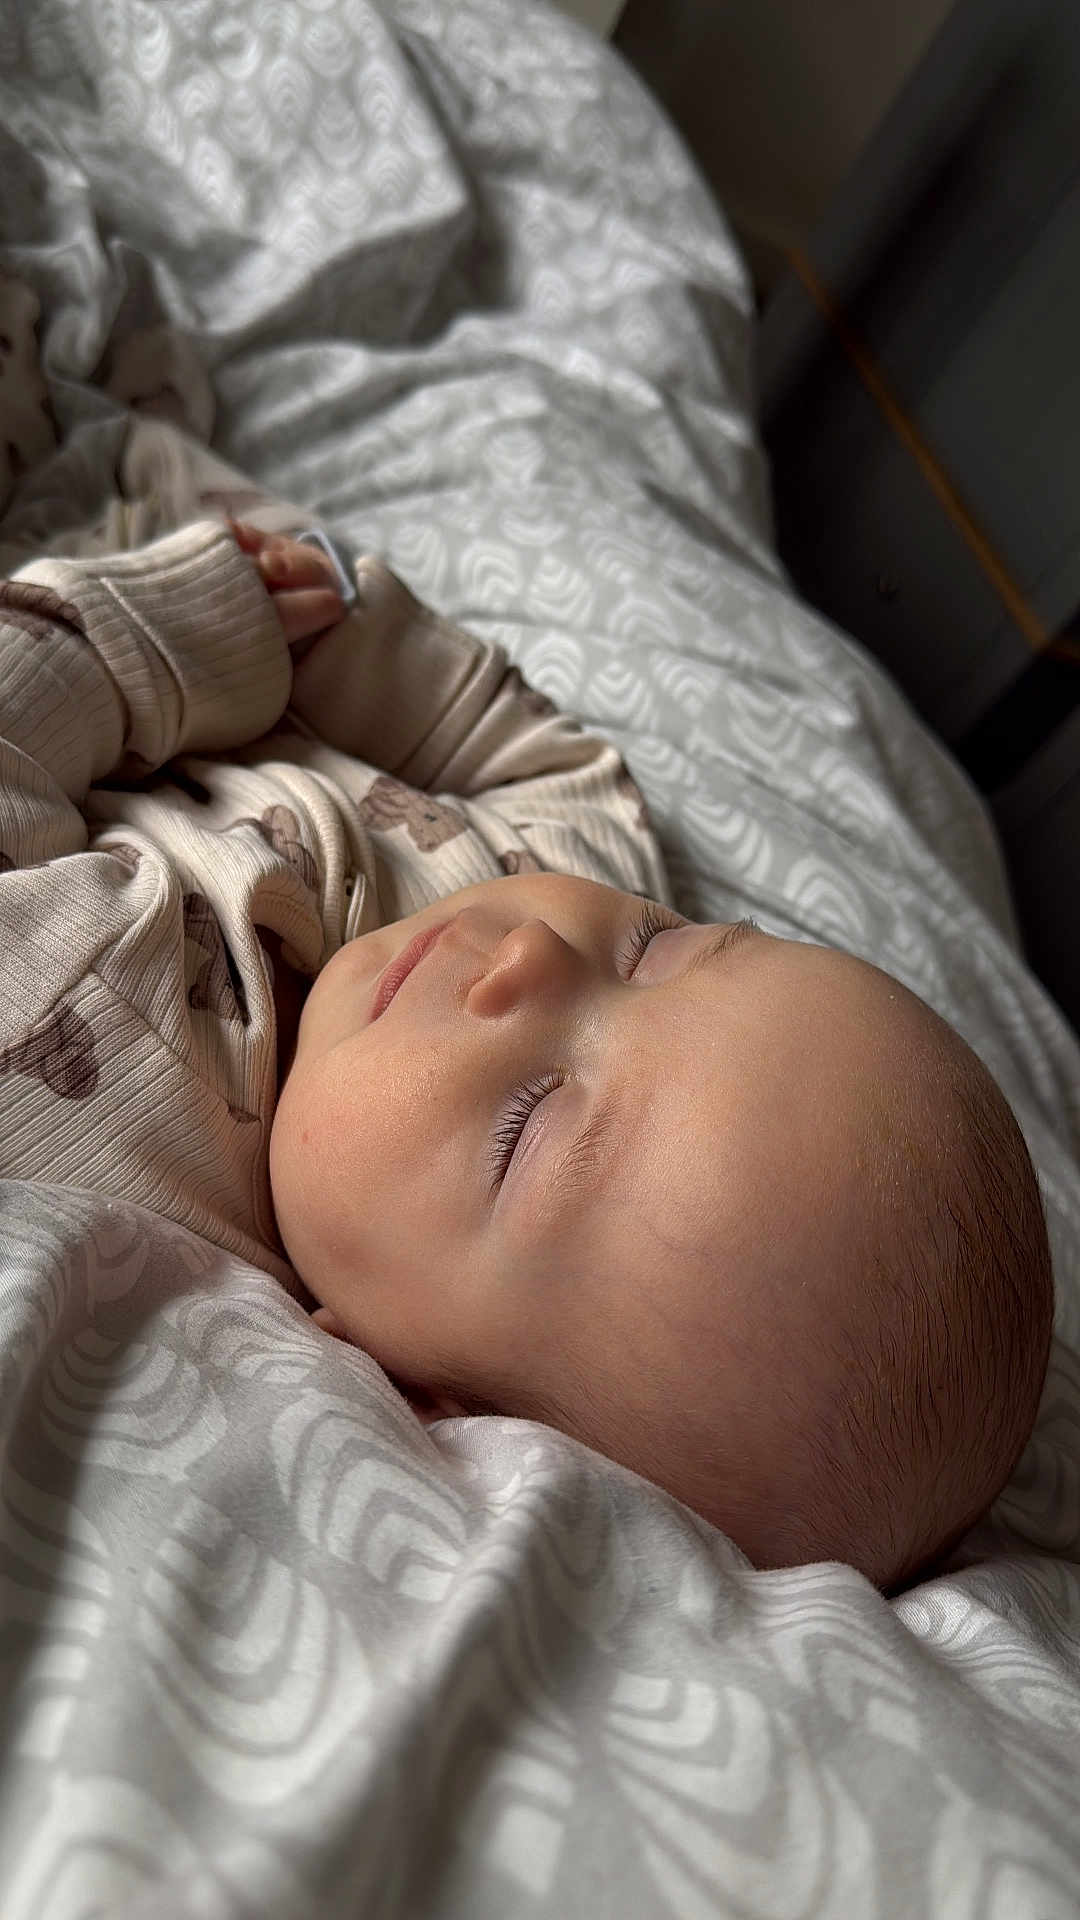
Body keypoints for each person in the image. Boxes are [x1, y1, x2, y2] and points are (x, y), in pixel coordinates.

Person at [0, 516, 1052, 1594]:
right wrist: (331, 634)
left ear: (403, 1388)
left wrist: (148, 639)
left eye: (526, 1122)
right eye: (660, 948)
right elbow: (551, 770)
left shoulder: (85, 1088)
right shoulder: (553, 875)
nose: (535, 955)